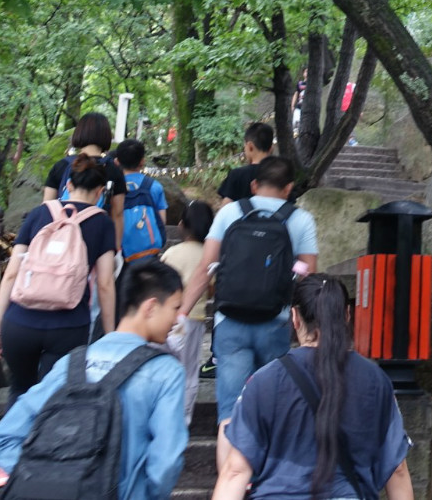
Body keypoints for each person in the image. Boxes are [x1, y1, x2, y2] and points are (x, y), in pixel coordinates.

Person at [0, 262, 190, 500]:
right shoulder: (166, 372)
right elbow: (166, 460)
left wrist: (44, 481)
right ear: (151, 307)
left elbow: (2, 440)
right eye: (175, 308)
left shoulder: (71, 363)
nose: (177, 320)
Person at [212, 275, 413, 500]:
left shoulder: (263, 382)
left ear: (295, 317)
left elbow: (235, 471)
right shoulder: (376, 381)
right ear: (347, 315)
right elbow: (397, 469)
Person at [177, 155, 318, 420]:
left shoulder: (230, 213)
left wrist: (182, 313)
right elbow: (308, 275)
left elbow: (205, 268)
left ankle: (230, 445)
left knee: (231, 410)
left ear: (254, 185)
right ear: (288, 188)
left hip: (230, 321)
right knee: (271, 408)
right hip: (275, 321)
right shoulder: (301, 220)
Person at [0, 156, 118, 403]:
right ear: (100, 191)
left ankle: (15, 429)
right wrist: (110, 334)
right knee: (55, 398)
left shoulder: (38, 214)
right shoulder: (102, 223)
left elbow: (11, 274)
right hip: (69, 326)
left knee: (19, 391)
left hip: (20, 322)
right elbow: (105, 284)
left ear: (68, 185)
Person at [160, 200, 214, 425]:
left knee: (166, 366)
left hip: (171, 319)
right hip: (196, 319)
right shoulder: (210, 257)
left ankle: (163, 414)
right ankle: (185, 418)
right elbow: (211, 289)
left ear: (181, 225)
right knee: (190, 371)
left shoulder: (172, 252)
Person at [46, 112, 128, 250]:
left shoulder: (61, 166)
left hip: (62, 241)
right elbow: (117, 214)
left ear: (79, 133)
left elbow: (47, 205)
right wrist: (116, 248)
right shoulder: (113, 170)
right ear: (106, 135)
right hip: (97, 241)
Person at [115, 138, 168, 264]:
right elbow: (162, 221)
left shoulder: (113, 188)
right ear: (142, 161)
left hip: (121, 254)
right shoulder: (155, 186)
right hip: (149, 255)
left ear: (117, 162)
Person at [216, 122, 274, 208]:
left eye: (244, 146)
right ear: (271, 148)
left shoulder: (236, 175)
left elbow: (226, 207)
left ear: (250, 146)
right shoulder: (280, 173)